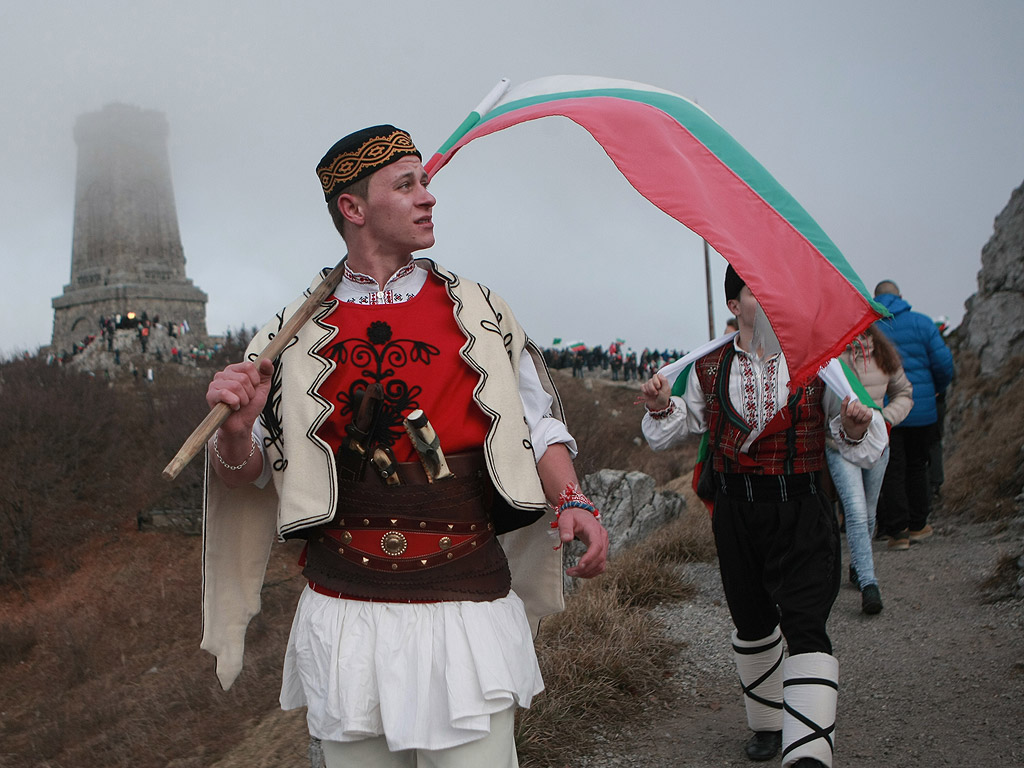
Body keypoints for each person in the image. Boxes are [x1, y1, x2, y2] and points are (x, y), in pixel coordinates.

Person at [201, 125, 608, 767]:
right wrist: (232, 431)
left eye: (426, 181)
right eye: (406, 184)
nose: (429, 198)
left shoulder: (479, 311)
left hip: (463, 603)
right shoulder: (289, 335)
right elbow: (245, 475)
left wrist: (573, 499)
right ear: (353, 209)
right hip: (345, 611)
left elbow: (538, 428)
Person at [638, 265, 886, 768]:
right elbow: (668, 433)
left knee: (806, 623)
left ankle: (810, 753)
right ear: (735, 306)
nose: (773, 296)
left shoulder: (821, 362)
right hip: (736, 511)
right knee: (751, 621)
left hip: (803, 509)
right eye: (757, 289)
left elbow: (864, 444)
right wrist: (663, 406)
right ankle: (769, 726)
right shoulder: (706, 366)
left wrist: (857, 427)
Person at [825, 325, 913, 615]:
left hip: (876, 444)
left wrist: (885, 419)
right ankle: (868, 582)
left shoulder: (884, 354)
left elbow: (904, 393)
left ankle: (858, 566)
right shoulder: (830, 352)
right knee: (856, 510)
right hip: (839, 445)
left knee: (870, 511)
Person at [872, 280, 954, 549]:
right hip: (922, 409)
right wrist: (937, 390)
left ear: (876, 298)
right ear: (901, 297)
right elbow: (943, 364)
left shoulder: (871, 327)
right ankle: (919, 524)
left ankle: (898, 532)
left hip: (885, 412)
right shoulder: (922, 322)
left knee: (891, 469)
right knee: (918, 465)